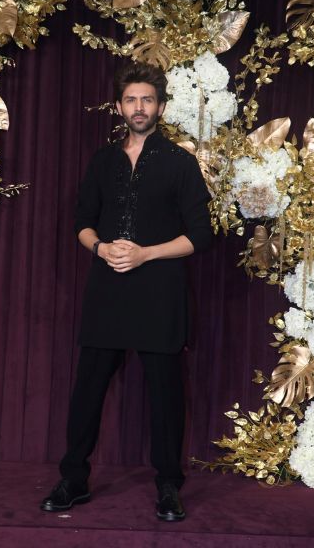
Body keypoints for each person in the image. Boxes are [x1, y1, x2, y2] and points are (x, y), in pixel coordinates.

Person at [40, 61, 213, 522]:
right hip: (108, 291)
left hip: (160, 293)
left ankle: (168, 486)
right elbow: (82, 223)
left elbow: (200, 235)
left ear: (161, 107)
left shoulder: (180, 163)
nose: (139, 107)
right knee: (87, 391)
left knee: (165, 397)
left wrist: (145, 254)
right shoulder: (103, 161)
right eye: (132, 100)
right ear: (119, 107)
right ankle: (74, 479)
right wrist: (101, 249)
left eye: (147, 100)